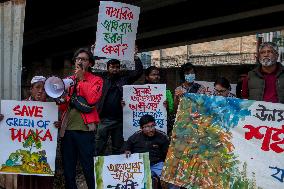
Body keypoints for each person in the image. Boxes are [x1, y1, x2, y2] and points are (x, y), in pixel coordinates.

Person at [55, 48, 103, 189]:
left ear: (90, 64)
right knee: (69, 168)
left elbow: (92, 99)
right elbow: (63, 106)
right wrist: (62, 100)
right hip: (67, 130)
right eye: (78, 59)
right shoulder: (68, 81)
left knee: (88, 166)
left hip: (85, 131)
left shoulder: (96, 80)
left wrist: (82, 79)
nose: (80, 61)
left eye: (84, 59)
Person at [0, 76, 53, 189]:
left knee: (44, 183)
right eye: (37, 87)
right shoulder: (20, 106)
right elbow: (10, 126)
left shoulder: (51, 109)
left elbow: (52, 129)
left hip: (43, 153)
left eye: (43, 89)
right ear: (31, 89)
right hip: (24, 155)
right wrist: (2, 120)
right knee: (25, 182)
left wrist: (56, 125)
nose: (40, 91)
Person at [95, 52, 143, 155]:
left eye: (117, 67)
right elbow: (89, 71)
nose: (115, 69)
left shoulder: (124, 79)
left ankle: (116, 169)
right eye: (112, 67)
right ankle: (96, 168)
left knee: (118, 147)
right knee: (99, 146)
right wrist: (93, 53)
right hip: (104, 119)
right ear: (108, 68)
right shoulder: (101, 79)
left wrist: (135, 57)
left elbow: (138, 72)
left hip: (119, 120)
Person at [125, 114, 178, 189]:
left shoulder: (162, 136)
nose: (151, 129)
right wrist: (127, 150)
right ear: (141, 128)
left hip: (157, 164)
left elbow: (168, 154)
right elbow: (127, 144)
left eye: (152, 126)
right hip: (140, 166)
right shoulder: (135, 136)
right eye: (146, 127)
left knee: (171, 180)